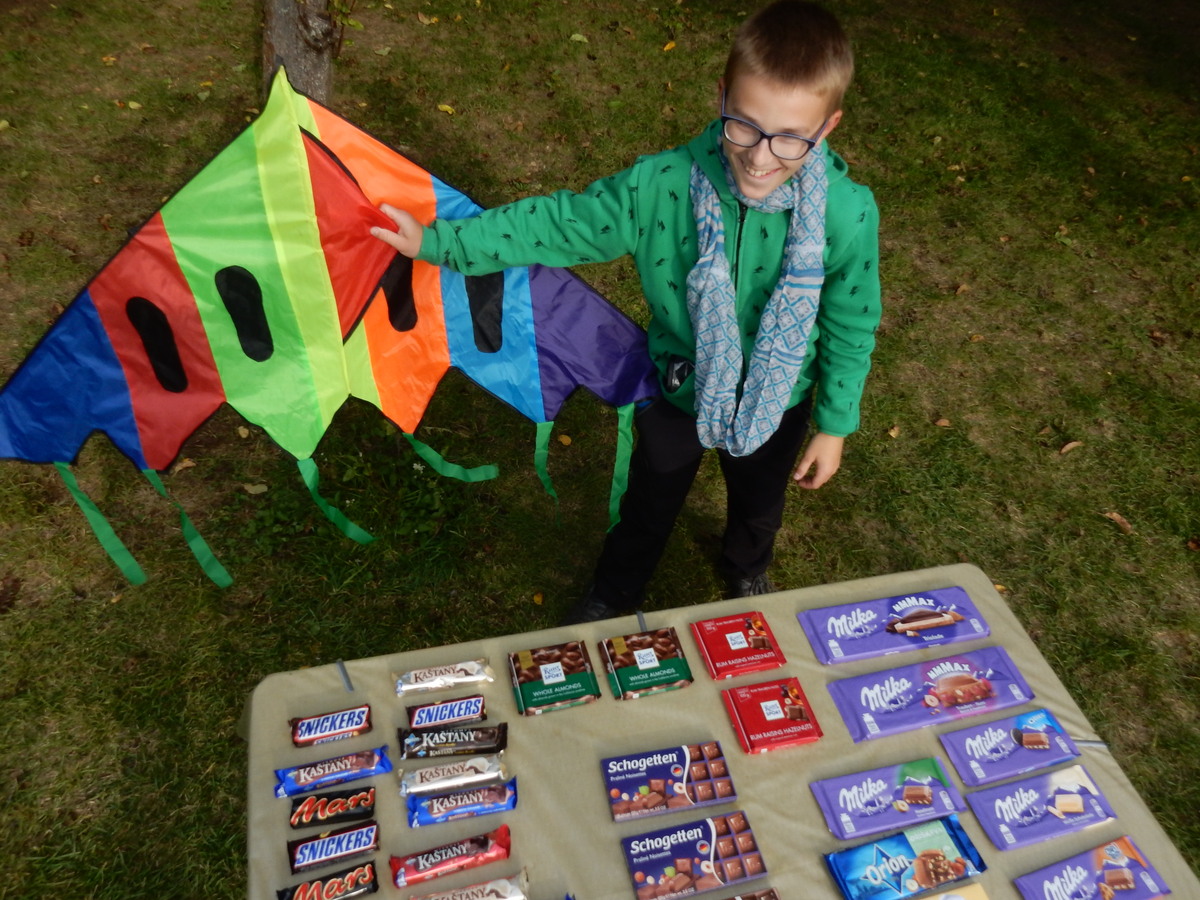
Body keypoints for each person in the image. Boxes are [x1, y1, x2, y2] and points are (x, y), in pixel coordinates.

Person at [371, 0, 881, 624]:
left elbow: (851, 322)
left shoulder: (847, 214)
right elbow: (561, 224)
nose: (759, 157)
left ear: (827, 128)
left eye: (790, 138)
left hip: (780, 398)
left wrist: (833, 424)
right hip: (680, 386)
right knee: (650, 498)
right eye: (743, 126)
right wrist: (440, 243)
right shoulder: (661, 185)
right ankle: (615, 592)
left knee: (759, 501)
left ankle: (746, 568)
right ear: (722, 96)